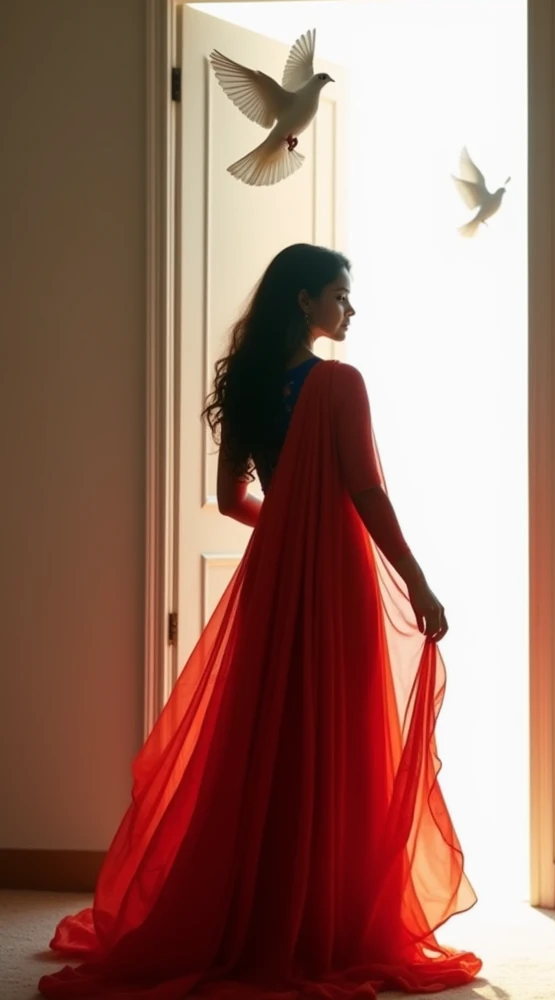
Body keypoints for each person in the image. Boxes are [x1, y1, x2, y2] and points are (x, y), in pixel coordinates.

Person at [38, 243, 482, 999]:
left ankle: (251, 908)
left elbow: (232, 496)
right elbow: (366, 493)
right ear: (305, 302)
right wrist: (420, 584)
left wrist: (286, 532)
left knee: (266, 740)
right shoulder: (339, 383)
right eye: (341, 295)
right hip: (335, 580)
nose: (350, 310)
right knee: (334, 737)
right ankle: (324, 919)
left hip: (274, 580)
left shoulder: (246, 385)